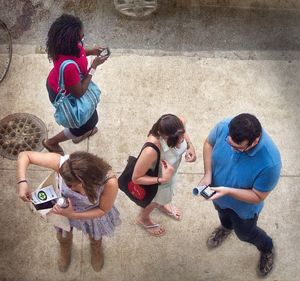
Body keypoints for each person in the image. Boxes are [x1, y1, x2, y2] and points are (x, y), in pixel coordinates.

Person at [199, 113, 281, 276]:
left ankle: (267, 248)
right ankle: (226, 228)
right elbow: (209, 143)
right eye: (229, 142)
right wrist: (208, 173)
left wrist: (228, 191)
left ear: (255, 141)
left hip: (243, 210)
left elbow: (258, 196)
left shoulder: (271, 163)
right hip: (218, 196)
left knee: (245, 234)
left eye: (237, 148)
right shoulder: (225, 126)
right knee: (223, 216)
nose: (231, 149)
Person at [17, 151, 120, 272]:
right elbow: (25, 155)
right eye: (68, 184)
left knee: (95, 236)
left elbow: (103, 209)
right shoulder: (62, 165)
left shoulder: (109, 182)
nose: (72, 189)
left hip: (91, 214)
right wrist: (22, 182)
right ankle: (65, 246)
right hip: (64, 212)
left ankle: (96, 247)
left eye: (77, 185)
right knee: (63, 235)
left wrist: (73, 215)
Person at [43, 14, 109, 155]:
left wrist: (91, 51)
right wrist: (94, 66)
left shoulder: (64, 47)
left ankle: (83, 130)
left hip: (59, 82)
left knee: (90, 119)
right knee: (89, 122)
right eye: (81, 36)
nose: (83, 37)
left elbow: (79, 52)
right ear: (71, 41)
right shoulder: (69, 68)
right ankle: (52, 142)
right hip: (67, 92)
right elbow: (79, 92)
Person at [132, 114, 196, 236]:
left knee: (164, 197)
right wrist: (162, 179)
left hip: (170, 174)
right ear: (165, 138)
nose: (182, 140)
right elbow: (136, 178)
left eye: (182, 136)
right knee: (154, 201)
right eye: (178, 139)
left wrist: (190, 146)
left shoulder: (178, 124)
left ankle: (163, 204)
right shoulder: (151, 150)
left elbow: (184, 133)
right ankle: (143, 218)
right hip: (157, 181)